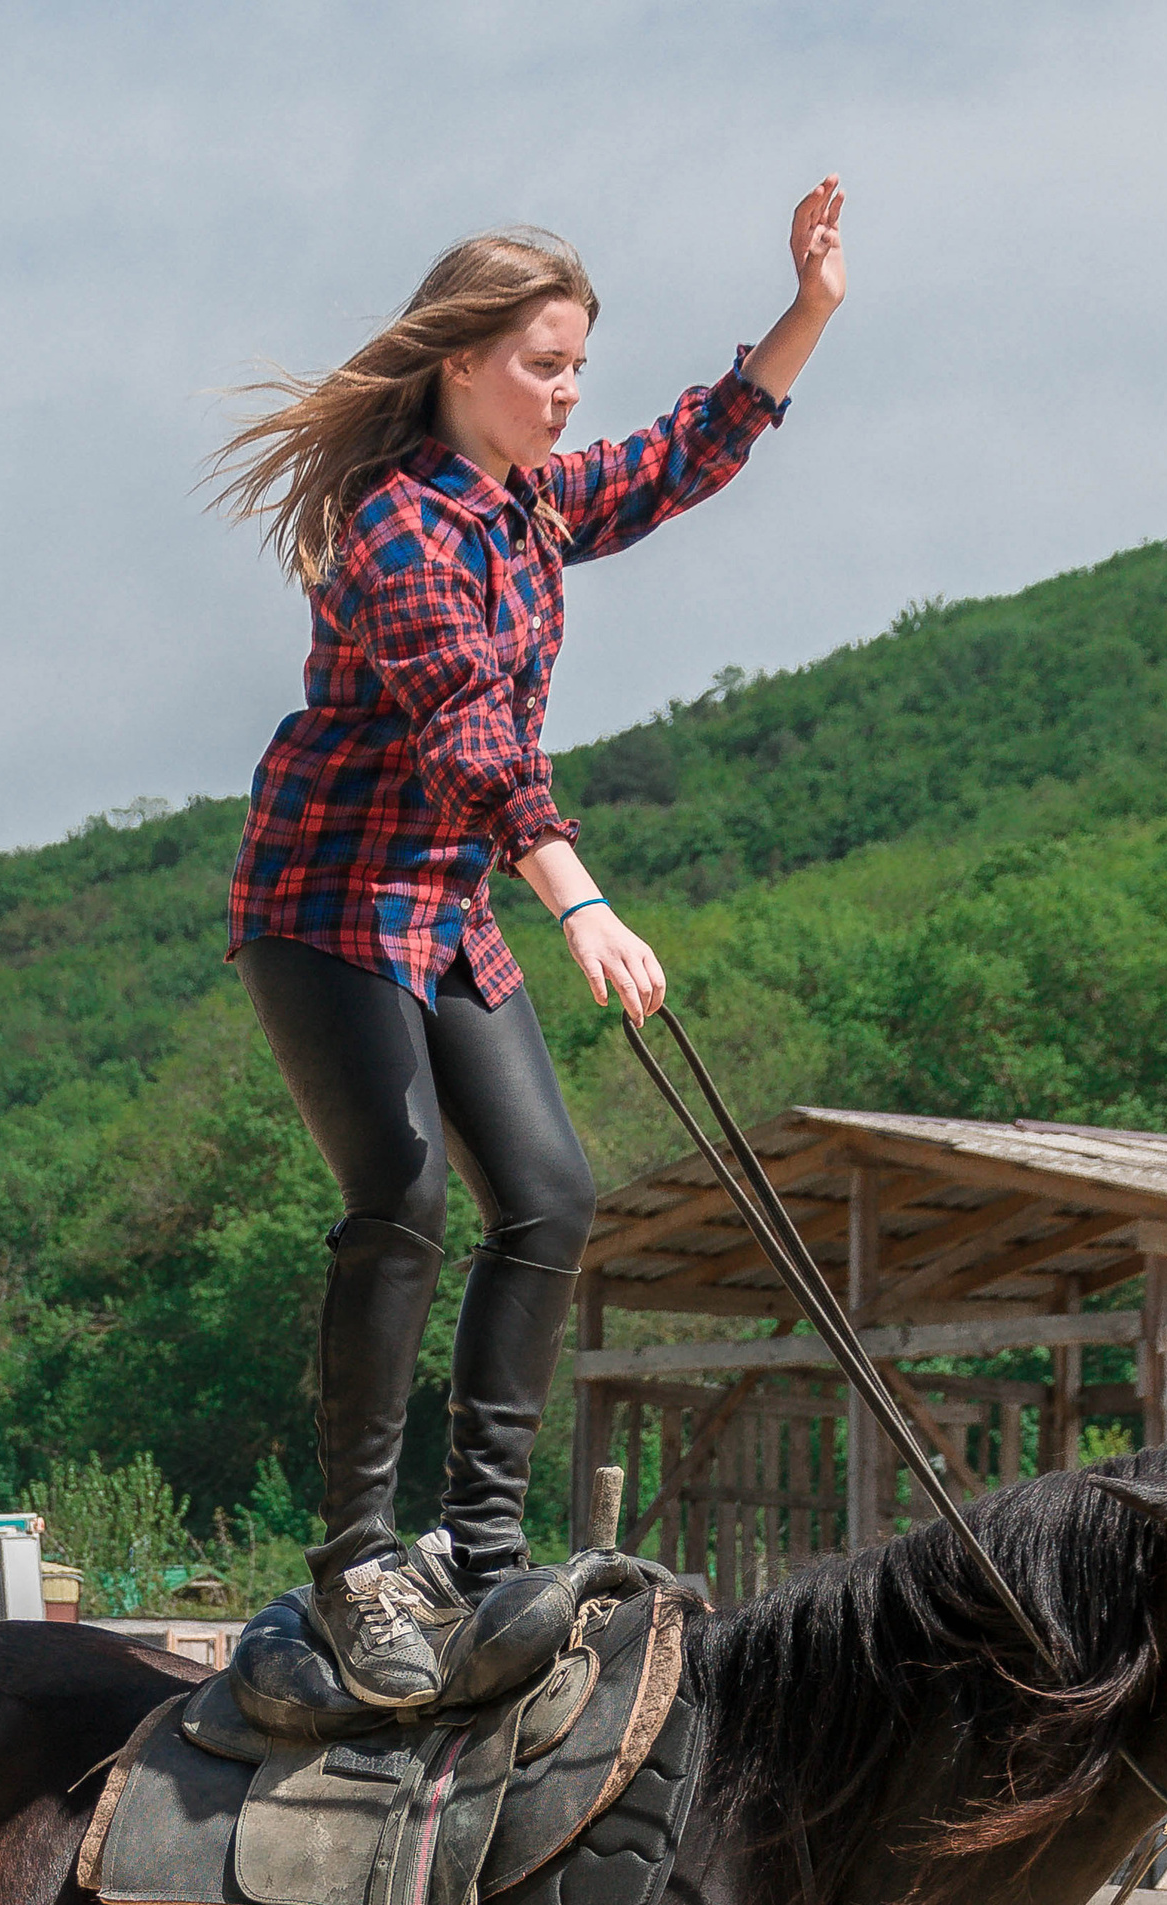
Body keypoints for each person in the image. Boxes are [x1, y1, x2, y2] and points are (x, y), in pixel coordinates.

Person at [216, 183, 846, 1706]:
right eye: (544, 366)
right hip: (325, 903)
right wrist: (582, 903)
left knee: (552, 1197)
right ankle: (357, 1560)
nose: (569, 396)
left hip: (439, 911)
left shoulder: (535, 502)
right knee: (406, 1193)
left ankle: (474, 1552)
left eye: (577, 369)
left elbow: (678, 458)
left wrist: (810, 310)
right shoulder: (400, 527)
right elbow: (472, 739)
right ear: (459, 362)